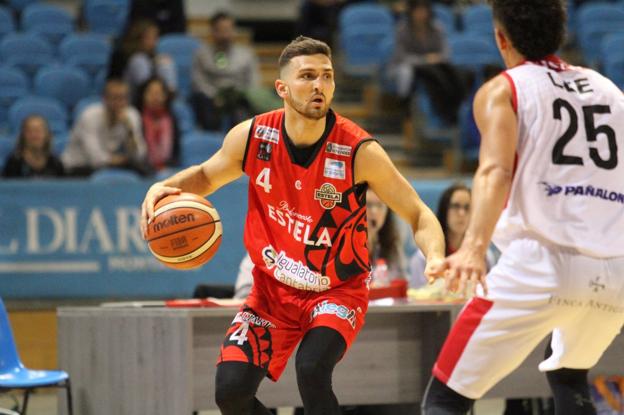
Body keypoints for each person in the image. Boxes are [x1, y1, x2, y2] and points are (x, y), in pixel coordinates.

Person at [141, 36, 446, 415]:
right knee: (230, 392)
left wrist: (434, 256)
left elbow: (418, 213)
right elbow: (205, 176)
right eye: (307, 76)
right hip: (271, 292)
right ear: (282, 88)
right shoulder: (252, 137)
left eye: (327, 76)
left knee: (312, 369)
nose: (319, 85)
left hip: (335, 292)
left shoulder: (358, 151)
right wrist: (165, 185)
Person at [421, 1, 624, 414]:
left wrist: (474, 247)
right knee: (569, 377)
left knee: (445, 398)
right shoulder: (610, 90)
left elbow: (495, 171)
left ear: (500, 38)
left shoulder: (505, 89)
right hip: (615, 270)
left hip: (539, 264)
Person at [387, 0, 468, 124]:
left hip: (434, 64)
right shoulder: (402, 29)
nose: (421, 14)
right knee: (406, 72)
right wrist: (425, 60)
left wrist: (434, 59)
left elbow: (445, 53)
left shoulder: (437, 28)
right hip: (408, 65)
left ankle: (454, 109)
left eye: (424, 10)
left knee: (453, 73)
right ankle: (405, 105)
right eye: (418, 10)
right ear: (411, 12)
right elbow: (401, 56)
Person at [409, 183, 499, 289]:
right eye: (456, 206)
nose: (461, 213)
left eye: (467, 207)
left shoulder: (483, 257)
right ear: (444, 210)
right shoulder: (423, 258)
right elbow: (415, 299)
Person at [62, 79, 149, 176]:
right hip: (76, 166)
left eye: (122, 98)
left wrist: (129, 129)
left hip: (104, 167)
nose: (118, 103)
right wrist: (121, 160)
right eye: (114, 98)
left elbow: (139, 154)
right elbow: (95, 158)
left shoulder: (131, 115)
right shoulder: (89, 116)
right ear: (105, 99)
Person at [190, 11, 260, 131]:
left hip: (238, 97)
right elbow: (198, 81)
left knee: (246, 110)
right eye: (221, 30)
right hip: (211, 98)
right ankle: (212, 141)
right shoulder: (202, 54)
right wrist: (215, 96)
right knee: (201, 101)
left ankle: (241, 143)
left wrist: (240, 95)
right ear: (213, 31)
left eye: (228, 29)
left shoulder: (246, 54)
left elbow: (254, 82)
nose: (225, 35)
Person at [109, 19, 177, 100]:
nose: (153, 42)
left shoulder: (155, 56)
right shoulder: (123, 55)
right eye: (148, 38)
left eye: (155, 38)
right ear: (138, 38)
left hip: (160, 96)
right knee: (139, 60)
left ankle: (169, 97)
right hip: (135, 98)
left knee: (165, 62)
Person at [135, 77, 181, 171]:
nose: (155, 97)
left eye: (159, 93)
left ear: (165, 96)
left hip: (168, 169)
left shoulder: (172, 119)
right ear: (143, 95)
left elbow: (176, 152)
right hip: (143, 171)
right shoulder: (136, 118)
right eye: (150, 93)